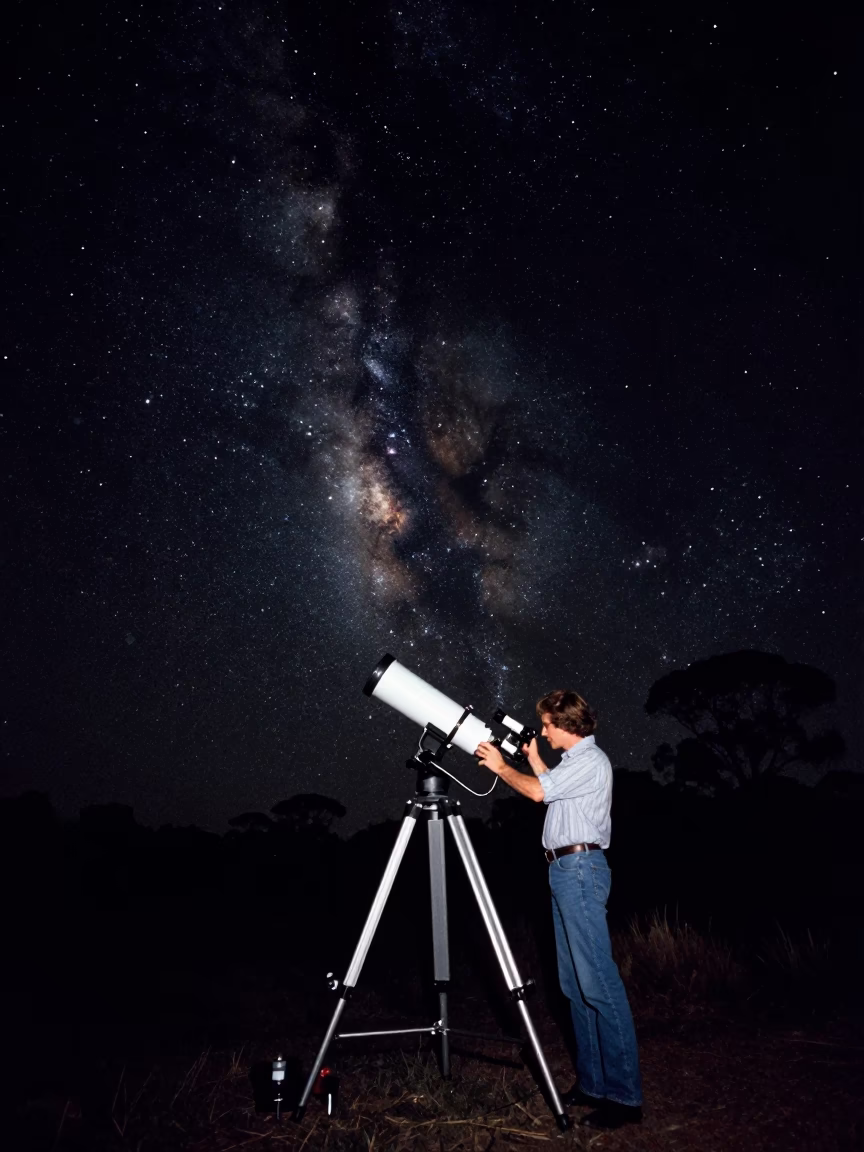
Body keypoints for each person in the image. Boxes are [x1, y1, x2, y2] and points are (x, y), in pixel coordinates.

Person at [475, 690, 642, 1130]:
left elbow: (535, 793)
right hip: (564, 871)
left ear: (568, 724)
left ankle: (625, 1097)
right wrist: (531, 755)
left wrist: (502, 767)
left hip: (581, 870)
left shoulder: (590, 760)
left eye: (548, 724)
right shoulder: (573, 764)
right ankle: (593, 1086)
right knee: (574, 987)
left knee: (599, 985)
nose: (544, 731)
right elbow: (550, 788)